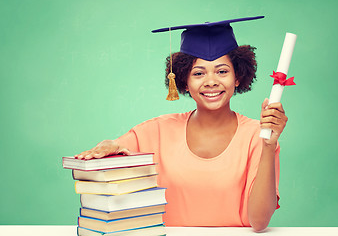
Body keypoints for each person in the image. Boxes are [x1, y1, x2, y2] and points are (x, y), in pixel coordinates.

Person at [75, 17, 288, 232]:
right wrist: (107, 146)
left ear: (238, 77)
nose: (211, 81)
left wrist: (269, 147)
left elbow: (260, 223)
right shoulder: (157, 131)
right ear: (183, 80)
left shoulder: (258, 136)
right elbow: (116, 148)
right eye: (198, 73)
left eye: (222, 71)